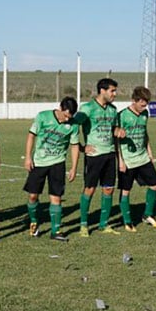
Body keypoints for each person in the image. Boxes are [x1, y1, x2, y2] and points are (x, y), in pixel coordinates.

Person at [23, 97, 80, 241]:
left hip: (58, 163)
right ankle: (34, 222)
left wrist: (73, 167)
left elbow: (74, 146)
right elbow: (31, 136)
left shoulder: (73, 125)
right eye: (65, 115)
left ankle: (56, 231)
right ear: (60, 108)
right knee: (33, 196)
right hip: (39, 162)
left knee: (56, 197)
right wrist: (28, 157)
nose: (67, 120)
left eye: (70, 117)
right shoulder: (43, 116)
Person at [74, 78, 119, 237]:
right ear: (102, 90)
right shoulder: (88, 108)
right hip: (94, 156)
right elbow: (73, 125)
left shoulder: (113, 110)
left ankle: (103, 224)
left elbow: (113, 129)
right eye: (112, 90)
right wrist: (80, 147)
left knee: (108, 189)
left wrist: (118, 132)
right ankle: (84, 225)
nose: (115, 94)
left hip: (110, 154)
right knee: (90, 189)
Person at [115, 86, 156, 231]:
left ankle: (147, 215)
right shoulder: (122, 115)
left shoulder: (145, 114)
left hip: (143, 158)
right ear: (134, 100)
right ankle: (127, 221)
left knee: (155, 185)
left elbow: (144, 133)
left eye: (146, 103)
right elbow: (116, 140)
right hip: (127, 160)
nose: (144, 106)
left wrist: (150, 152)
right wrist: (121, 161)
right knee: (125, 191)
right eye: (141, 103)